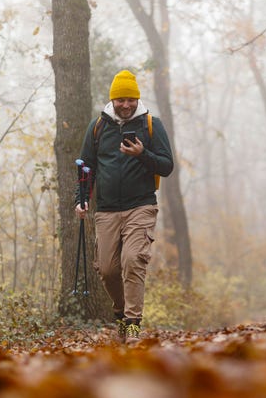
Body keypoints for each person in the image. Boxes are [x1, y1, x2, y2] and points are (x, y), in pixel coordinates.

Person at [75, 70, 173, 343]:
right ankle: (121, 314)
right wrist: (81, 198)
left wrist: (143, 154)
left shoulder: (153, 125)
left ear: (137, 99)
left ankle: (132, 326)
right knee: (106, 269)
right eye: (121, 100)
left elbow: (167, 166)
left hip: (141, 206)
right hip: (106, 210)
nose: (126, 105)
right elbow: (86, 167)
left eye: (131, 99)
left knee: (132, 261)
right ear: (113, 100)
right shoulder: (98, 127)